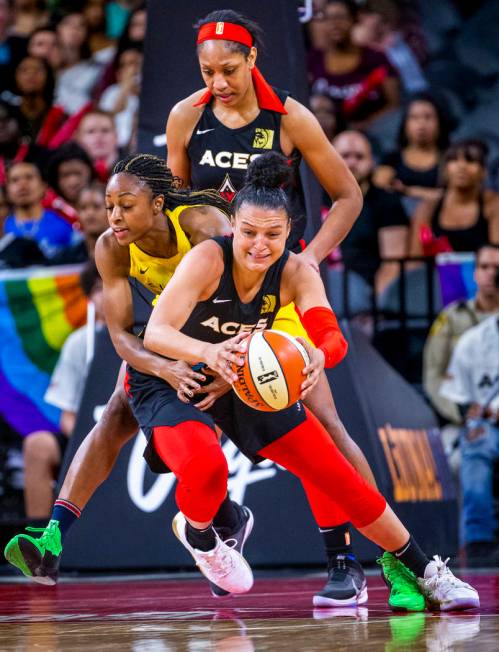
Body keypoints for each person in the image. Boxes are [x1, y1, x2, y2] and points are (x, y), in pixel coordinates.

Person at [130, 151, 479, 610]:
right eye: (249, 233)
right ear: (232, 226)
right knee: (206, 469)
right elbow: (156, 332)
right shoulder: (207, 259)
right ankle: (199, 533)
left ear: (290, 232)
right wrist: (208, 353)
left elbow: (331, 336)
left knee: (340, 477)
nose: (259, 245)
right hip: (176, 374)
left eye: (272, 235)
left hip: (242, 376)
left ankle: (429, 572)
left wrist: (318, 353)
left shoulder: (294, 271)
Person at [166, 8, 378, 607]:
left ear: (253, 59)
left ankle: (349, 560)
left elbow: (347, 196)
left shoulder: (290, 116)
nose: (218, 82)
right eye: (207, 71)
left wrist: (307, 260)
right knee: (152, 397)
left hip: (279, 290)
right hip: (218, 291)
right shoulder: (186, 116)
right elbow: (181, 208)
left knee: (323, 424)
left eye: (229, 69)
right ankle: (220, 521)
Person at [3, 153, 251, 594]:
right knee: (120, 414)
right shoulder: (111, 246)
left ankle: (233, 521)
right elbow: (121, 335)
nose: (113, 216)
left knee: (151, 426)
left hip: (230, 335)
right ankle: (53, 537)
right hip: (170, 337)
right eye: (108, 204)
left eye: (126, 205)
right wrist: (166, 367)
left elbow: (241, 300)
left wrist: (206, 362)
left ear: (157, 204)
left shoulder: (202, 226)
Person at [23, 261, 104, 519]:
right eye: (99, 288)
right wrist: (88, 438)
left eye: (114, 286)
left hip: (140, 435)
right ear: (89, 296)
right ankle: (37, 546)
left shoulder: (147, 334)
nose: (107, 296)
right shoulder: (79, 342)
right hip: (88, 434)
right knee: (37, 446)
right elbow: (67, 414)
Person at [440, 311, 499, 567]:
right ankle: (479, 543)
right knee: (477, 442)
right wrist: (470, 412)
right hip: (489, 425)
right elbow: (456, 396)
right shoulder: (474, 340)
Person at [423, 245, 499, 427]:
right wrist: (461, 410)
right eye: (484, 267)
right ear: (474, 273)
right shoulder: (452, 316)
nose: (491, 273)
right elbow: (433, 373)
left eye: (497, 268)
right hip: (461, 422)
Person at [333, 130, 409, 295]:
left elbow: (393, 264)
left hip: (368, 296)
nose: (352, 163)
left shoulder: (388, 202)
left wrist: (374, 305)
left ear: (372, 162)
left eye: (359, 157)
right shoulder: (314, 200)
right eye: (345, 156)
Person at [307, 0, 400, 129]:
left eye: (340, 17)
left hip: (372, 132)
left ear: (353, 20)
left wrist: (367, 124)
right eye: (328, 18)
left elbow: (393, 104)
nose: (335, 24)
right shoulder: (314, 58)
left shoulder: (376, 58)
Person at [409, 139, 499, 258]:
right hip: (438, 275)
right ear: (445, 170)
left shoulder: (493, 204)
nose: (462, 166)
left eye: (470, 160)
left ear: (483, 171)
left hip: (483, 274)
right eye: (454, 160)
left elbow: (496, 256)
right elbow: (415, 260)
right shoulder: (428, 208)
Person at [374, 93, 450, 204]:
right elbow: (379, 186)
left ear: (439, 122)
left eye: (428, 117)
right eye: (414, 117)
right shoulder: (391, 159)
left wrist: (407, 191)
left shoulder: (450, 158)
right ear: (405, 124)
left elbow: (452, 196)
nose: (421, 124)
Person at [4, 160, 75, 261]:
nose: (22, 185)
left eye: (29, 177)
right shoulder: (2, 228)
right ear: (7, 190)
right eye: (15, 180)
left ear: (44, 186)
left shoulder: (62, 225)